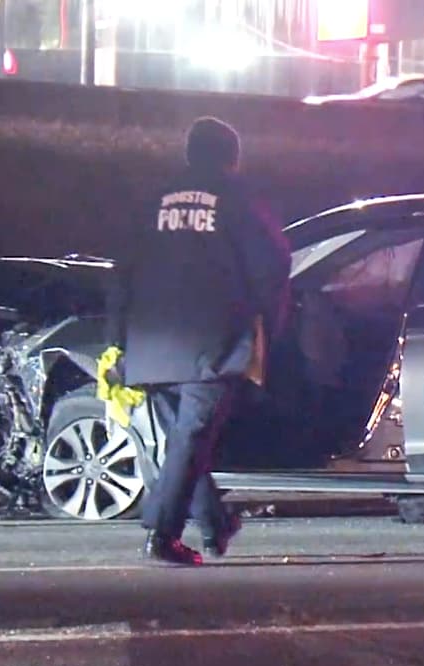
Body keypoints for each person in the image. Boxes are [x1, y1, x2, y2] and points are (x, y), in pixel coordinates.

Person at [109, 117, 291, 566]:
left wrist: (117, 342)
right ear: (233, 157)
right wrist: (262, 319)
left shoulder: (151, 200)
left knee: (186, 440)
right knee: (191, 438)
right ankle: (161, 532)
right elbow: (273, 265)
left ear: (189, 154)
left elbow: (120, 273)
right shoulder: (238, 200)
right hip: (211, 342)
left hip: (149, 345)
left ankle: (214, 523)